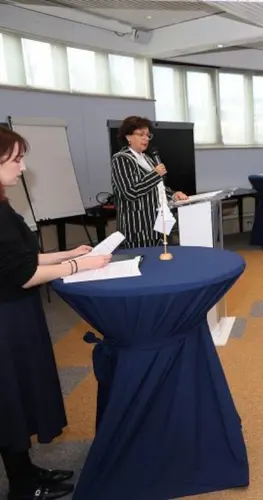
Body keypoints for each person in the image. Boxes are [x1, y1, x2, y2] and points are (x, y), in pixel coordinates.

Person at [0, 128, 112, 499]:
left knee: (17, 398)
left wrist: (67, 255)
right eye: (16, 159)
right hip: (6, 320)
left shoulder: (2, 203)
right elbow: (24, 273)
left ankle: (26, 472)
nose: (23, 166)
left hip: (16, 313)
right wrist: (82, 266)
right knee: (10, 401)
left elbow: (20, 258)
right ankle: (21, 486)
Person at [111, 116, 187, 249]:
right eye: (141, 134)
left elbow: (157, 188)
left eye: (148, 135)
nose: (146, 138)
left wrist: (174, 194)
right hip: (137, 228)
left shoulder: (147, 158)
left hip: (156, 225)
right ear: (128, 137)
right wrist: (155, 174)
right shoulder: (121, 159)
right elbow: (130, 191)